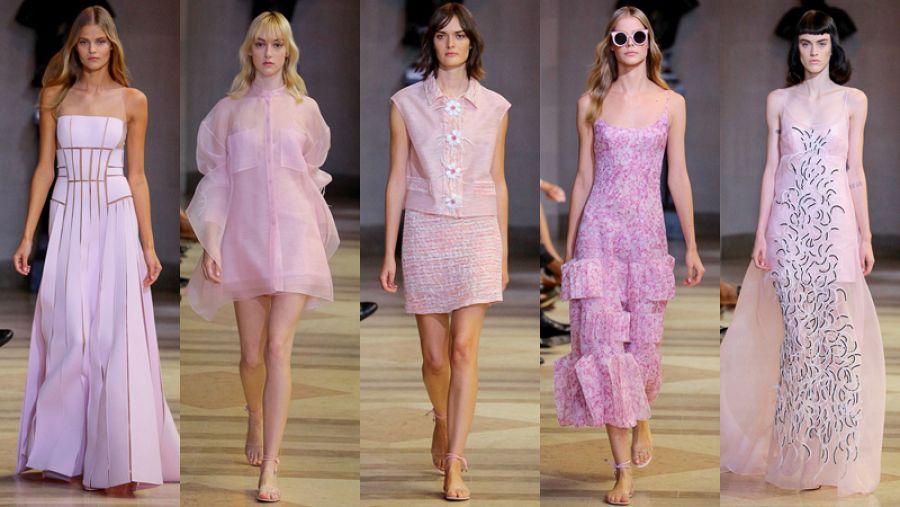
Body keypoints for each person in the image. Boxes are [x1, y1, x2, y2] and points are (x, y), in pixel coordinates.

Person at [11, 5, 179, 494]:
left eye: (100, 42)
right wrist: (27, 236)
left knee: (112, 336)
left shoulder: (133, 100)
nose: (92, 50)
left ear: (113, 46)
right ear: (74, 46)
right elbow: (44, 168)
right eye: (84, 42)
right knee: (69, 332)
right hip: (67, 218)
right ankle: (63, 453)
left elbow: (138, 176)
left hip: (114, 217)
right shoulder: (54, 96)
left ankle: (117, 460)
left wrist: (149, 245)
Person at [720, 10, 884, 496]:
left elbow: (856, 172)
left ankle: (832, 457)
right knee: (798, 342)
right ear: (797, 48)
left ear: (834, 47)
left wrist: (866, 236)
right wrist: (760, 232)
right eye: (806, 43)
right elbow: (771, 168)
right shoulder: (778, 100)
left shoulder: (854, 101)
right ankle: (798, 457)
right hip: (788, 227)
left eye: (821, 43)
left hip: (835, 228)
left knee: (833, 340)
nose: (813, 52)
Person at [185, 10, 339, 503]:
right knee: (251, 355)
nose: (268, 53)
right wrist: (212, 240)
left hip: (294, 236)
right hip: (244, 240)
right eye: (260, 44)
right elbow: (217, 181)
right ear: (248, 50)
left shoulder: (306, 109)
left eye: (277, 45)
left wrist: (316, 232)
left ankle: (270, 464)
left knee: (277, 348)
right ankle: (254, 415)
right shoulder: (228, 111)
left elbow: (310, 174)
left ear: (288, 52)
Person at [553, 6, 704, 505]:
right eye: (621, 37)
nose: (631, 43)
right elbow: (583, 177)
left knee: (642, 352)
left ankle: (641, 418)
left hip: (646, 237)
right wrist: (570, 245)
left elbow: (677, 176)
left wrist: (692, 245)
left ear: (650, 42)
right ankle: (621, 472)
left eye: (639, 35)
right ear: (610, 44)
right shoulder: (590, 103)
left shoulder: (672, 103)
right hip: (599, 233)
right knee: (602, 349)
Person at [379, 2, 509, 501]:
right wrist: (388, 251)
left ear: (472, 43)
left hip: (477, 232)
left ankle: (455, 462)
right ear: (430, 42)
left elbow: (498, 181)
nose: (451, 43)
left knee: (462, 351)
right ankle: (441, 416)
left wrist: (502, 255)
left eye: (459, 35)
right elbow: (396, 178)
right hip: (425, 230)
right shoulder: (405, 103)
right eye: (441, 35)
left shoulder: (495, 107)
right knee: (435, 358)